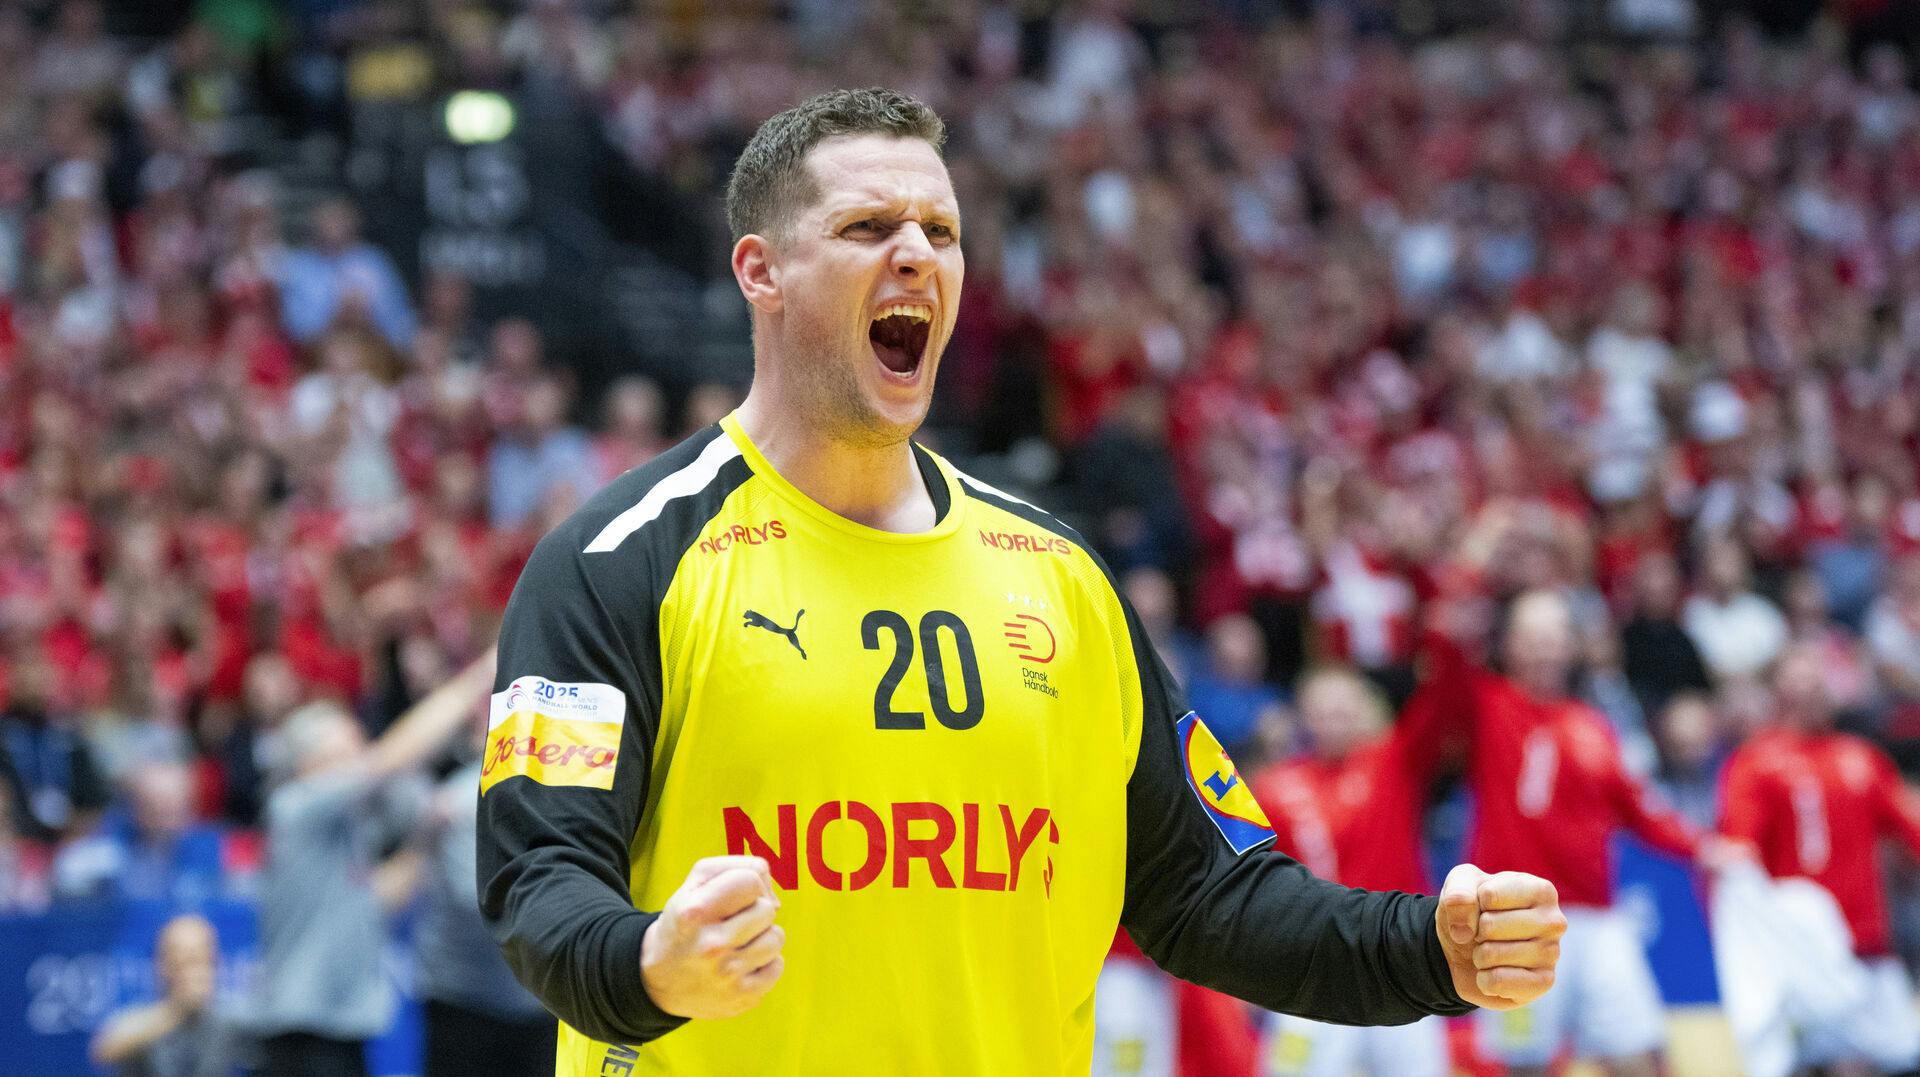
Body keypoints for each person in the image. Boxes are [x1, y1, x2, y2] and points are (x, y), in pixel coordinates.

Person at [474, 87, 1564, 1076]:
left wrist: (1428, 952)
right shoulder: (617, 558)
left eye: (940, 232)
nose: (917, 255)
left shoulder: (1062, 575)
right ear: (760, 271)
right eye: (867, 228)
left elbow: (1212, 892)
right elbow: (538, 884)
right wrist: (652, 965)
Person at [1427, 589, 1735, 1077]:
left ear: (1572, 647)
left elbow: (1639, 810)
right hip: (1514, 921)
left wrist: (1703, 847)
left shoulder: (1593, 726)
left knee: (1637, 1055)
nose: (1544, 649)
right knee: (1522, 1066)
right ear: (1508, 646)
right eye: (1531, 637)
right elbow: (1445, 666)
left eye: (1554, 636)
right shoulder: (1486, 706)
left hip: (1596, 919)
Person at [251, 650, 494, 1077]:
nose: (360, 760)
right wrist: (474, 681)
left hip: (341, 1032)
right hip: (302, 1035)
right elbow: (391, 759)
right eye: (348, 752)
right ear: (312, 764)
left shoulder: (342, 829)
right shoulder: (295, 806)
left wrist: (423, 844)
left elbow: (373, 900)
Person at [1718, 644, 1920, 1073]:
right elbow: (1739, 853)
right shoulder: (1756, 763)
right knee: (1839, 1061)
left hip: (1870, 941)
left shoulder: (1861, 757)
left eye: (1816, 679)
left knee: (1899, 1053)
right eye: (1797, 680)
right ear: (1778, 692)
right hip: (1807, 949)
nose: (1809, 690)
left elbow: (1910, 832)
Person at [1249, 666, 1459, 1077]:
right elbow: (1257, 885)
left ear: (1364, 711)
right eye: (1322, 711)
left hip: (1399, 960)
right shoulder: (1273, 787)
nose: (1332, 721)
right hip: (1310, 966)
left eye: (1343, 710)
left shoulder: (1393, 764)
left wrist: (1449, 640)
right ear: (1303, 716)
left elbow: (1442, 707)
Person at [416, 751, 557, 1077]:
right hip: (467, 997)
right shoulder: (465, 796)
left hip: (540, 999)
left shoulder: (570, 788)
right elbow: (478, 902)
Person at [90, 914, 236, 1077]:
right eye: (181, 955)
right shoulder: (144, 1018)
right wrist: (177, 1009)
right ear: (162, 962)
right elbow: (104, 1049)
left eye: (200, 954)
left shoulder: (228, 1017)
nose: (192, 966)